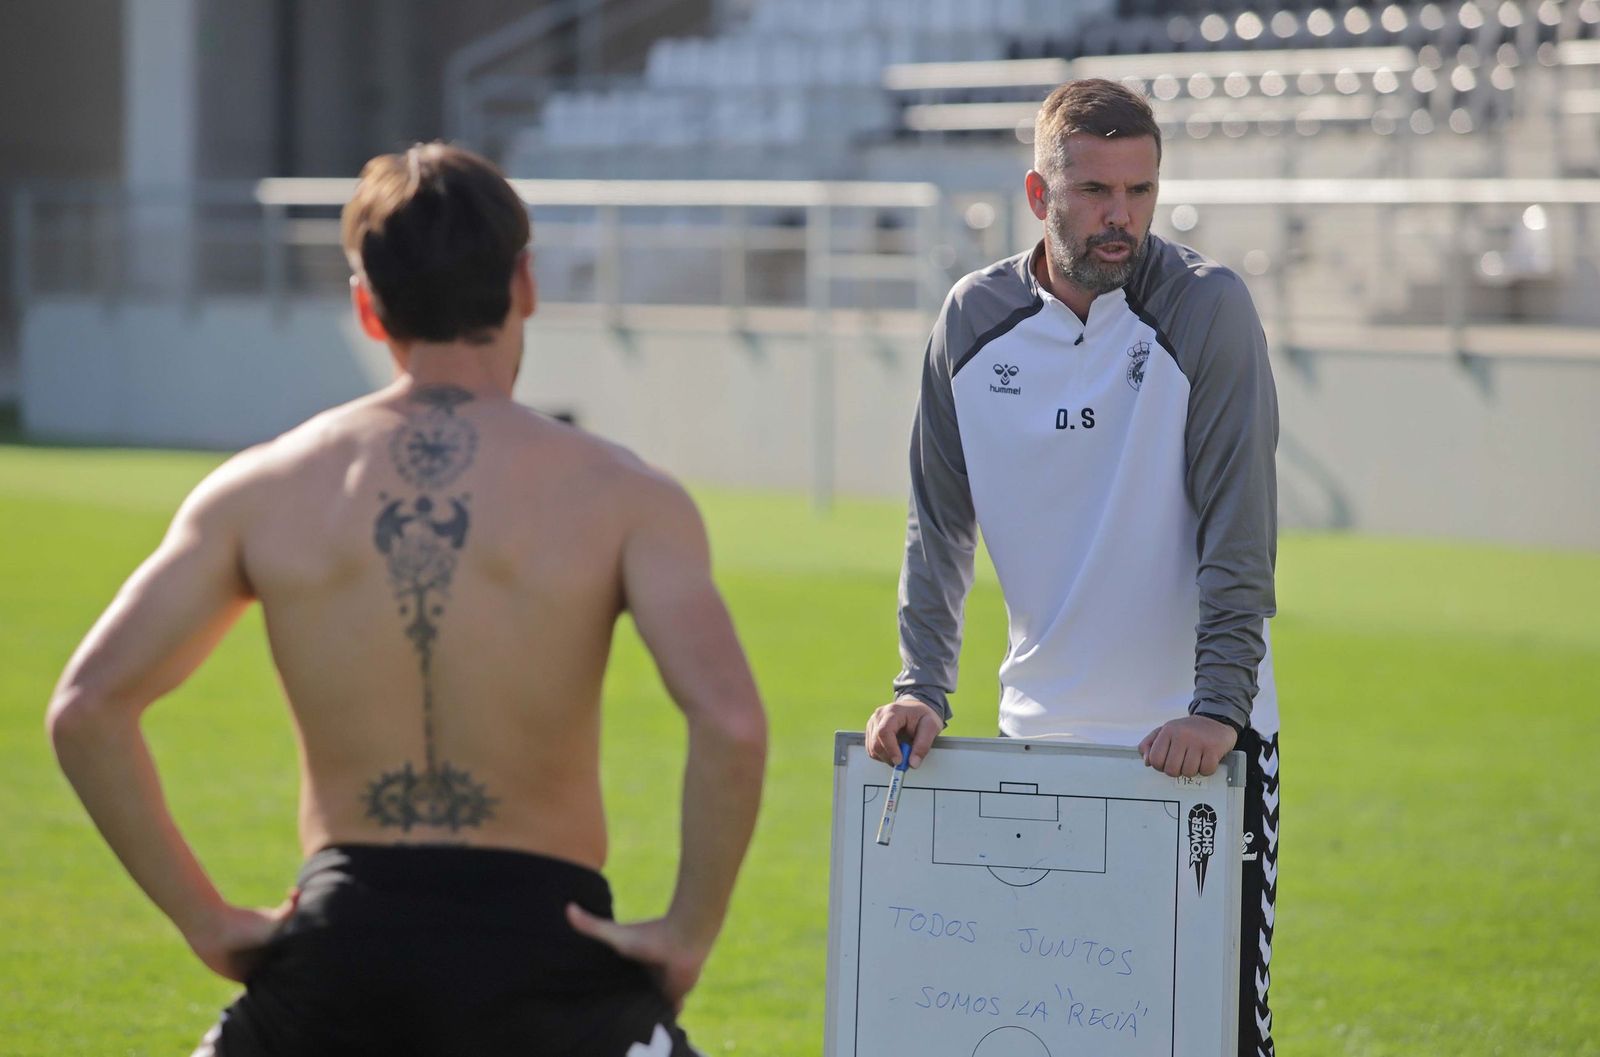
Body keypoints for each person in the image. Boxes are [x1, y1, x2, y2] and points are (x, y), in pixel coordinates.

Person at [46, 143, 766, 1057]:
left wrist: (208, 920)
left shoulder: (259, 491)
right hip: (548, 953)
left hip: (338, 954)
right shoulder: (625, 495)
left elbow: (87, 708)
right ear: (525, 284)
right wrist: (687, 931)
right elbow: (732, 723)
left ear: (365, 304)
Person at [864, 79, 1280, 1057]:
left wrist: (1217, 707)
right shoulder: (970, 321)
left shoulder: (1207, 308)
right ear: (1037, 194)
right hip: (1035, 749)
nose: (1119, 216)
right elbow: (937, 526)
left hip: (1199, 754)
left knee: (1208, 1039)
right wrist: (920, 687)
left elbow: (1241, 527)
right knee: (1045, 1032)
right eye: (1093, 190)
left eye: (1139, 191)